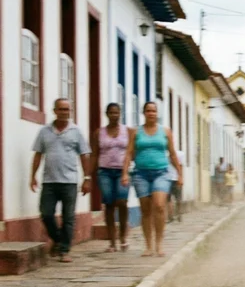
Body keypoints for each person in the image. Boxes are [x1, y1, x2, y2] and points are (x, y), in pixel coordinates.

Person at [30, 98, 91, 263]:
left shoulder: (76, 131)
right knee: (46, 214)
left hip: (70, 181)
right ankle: (58, 240)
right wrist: (32, 176)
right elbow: (38, 154)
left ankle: (64, 250)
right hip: (49, 181)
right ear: (54, 111)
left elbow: (84, 155)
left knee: (68, 217)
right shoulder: (44, 131)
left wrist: (87, 178)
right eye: (61, 109)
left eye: (67, 110)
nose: (64, 113)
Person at [122, 102, 182, 257]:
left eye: (153, 111)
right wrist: (124, 173)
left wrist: (180, 174)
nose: (151, 113)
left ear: (157, 113)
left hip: (161, 172)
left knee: (160, 205)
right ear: (144, 113)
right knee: (146, 210)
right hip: (141, 174)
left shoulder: (165, 131)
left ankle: (159, 244)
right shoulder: (136, 132)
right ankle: (148, 245)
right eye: (148, 111)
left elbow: (173, 153)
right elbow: (129, 153)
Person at [91, 103, 132, 253]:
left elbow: (131, 151)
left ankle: (123, 237)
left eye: (116, 113)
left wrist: (128, 169)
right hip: (105, 171)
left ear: (120, 114)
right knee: (108, 204)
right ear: (106, 114)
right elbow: (95, 154)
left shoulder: (127, 131)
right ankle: (112, 242)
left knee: (122, 202)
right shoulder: (99, 133)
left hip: (122, 171)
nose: (114, 115)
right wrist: (89, 175)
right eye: (111, 113)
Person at [167, 150, 185, 223]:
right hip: (174, 179)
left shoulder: (166, 155)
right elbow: (181, 167)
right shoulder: (180, 155)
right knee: (177, 199)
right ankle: (178, 215)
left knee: (169, 199)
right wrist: (181, 177)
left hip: (170, 179)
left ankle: (171, 217)